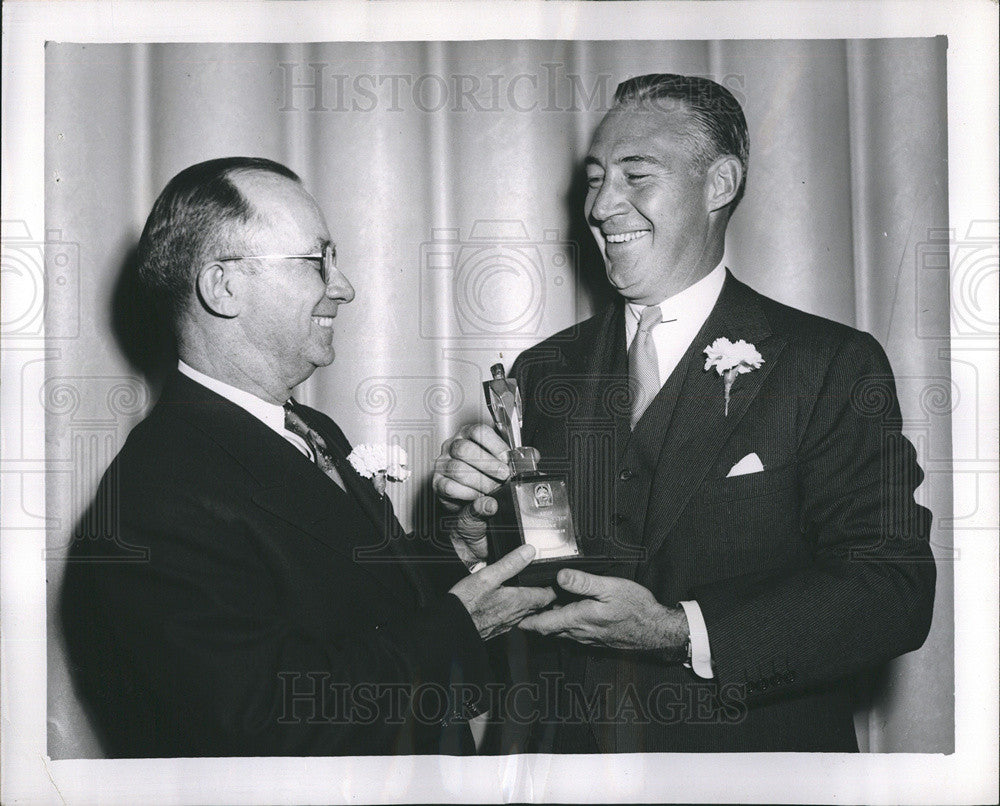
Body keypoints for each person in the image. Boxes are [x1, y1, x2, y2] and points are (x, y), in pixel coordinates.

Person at [433, 74, 936, 753]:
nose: (603, 206)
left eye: (635, 176)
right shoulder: (541, 371)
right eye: (594, 179)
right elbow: (529, 578)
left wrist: (682, 630)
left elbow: (891, 591)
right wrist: (472, 531)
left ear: (719, 184)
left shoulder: (830, 364)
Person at [60, 157, 554, 757]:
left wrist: (462, 548)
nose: (343, 287)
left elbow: (362, 598)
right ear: (223, 287)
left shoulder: (309, 428)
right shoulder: (156, 493)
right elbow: (259, 720)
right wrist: (458, 630)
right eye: (318, 261)